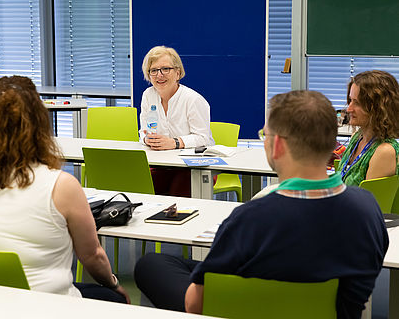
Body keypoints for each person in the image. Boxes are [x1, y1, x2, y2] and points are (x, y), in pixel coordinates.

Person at [134, 90, 389, 318]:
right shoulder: (367, 207)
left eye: (264, 134)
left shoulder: (250, 218)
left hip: (245, 309)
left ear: (276, 145)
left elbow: (195, 305)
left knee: (152, 265)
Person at [0, 76, 129, 303]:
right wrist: (113, 283)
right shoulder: (61, 185)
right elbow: (92, 256)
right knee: (114, 298)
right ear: (40, 123)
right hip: (51, 305)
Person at [139, 46, 214, 196]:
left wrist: (174, 142)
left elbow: (203, 138)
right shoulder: (148, 95)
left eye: (165, 69)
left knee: (176, 197)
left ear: (177, 73)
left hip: (194, 167)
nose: (159, 75)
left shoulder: (193, 100)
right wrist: (148, 139)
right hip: (162, 164)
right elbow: (143, 132)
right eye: (153, 70)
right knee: (139, 187)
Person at [336, 70, 399, 186]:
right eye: (350, 100)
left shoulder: (384, 151)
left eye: (357, 103)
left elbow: (367, 203)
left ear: (378, 109)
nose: (349, 109)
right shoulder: (357, 138)